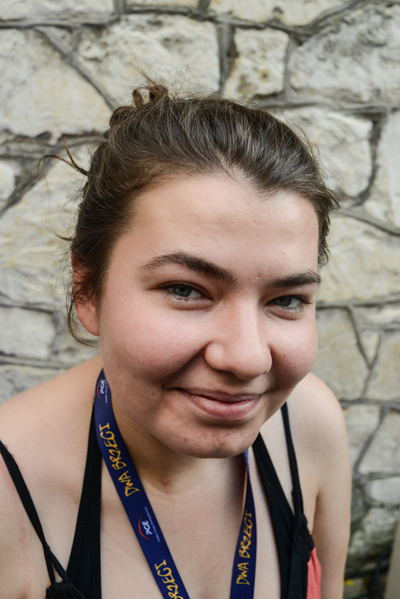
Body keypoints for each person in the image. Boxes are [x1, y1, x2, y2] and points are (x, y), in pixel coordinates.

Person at [0, 81, 351, 599]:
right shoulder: (9, 497)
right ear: (87, 289)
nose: (248, 358)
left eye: (286, 299)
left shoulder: (311, 426)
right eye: (186, 290)